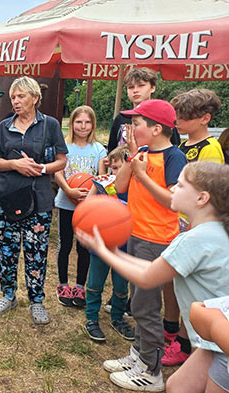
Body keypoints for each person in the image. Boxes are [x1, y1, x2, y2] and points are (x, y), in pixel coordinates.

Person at [77, 161, 229, 393]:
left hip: (223, 345)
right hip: (214, 341)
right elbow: (153, 267)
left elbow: (148, 277)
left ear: (202, 199)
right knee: (178, 385)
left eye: (179, 185)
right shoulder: (207, 232)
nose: (172, 190)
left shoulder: (196, 240)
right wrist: (114, 252)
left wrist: (104, 251)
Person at [98, 99, 186, 391]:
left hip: (156, 240)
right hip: (136, 235)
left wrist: (143, 175)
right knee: (138, 302)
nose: (131, 128)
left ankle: (151, 372)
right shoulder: (143, 153)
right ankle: (139, 355)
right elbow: (120, 187)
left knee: (147, 308)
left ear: (156, 128)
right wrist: (132, 160)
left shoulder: (174, 157)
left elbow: (173, 202)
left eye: (136, 123)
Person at [0, 76, 67, 324]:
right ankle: (8, 295)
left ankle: (37, 301)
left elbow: (62, 160)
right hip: (8, 198)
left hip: (40, 200)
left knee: (36, 253)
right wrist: (15, 165)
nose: (16, 101)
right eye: (13, 97)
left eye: (21, 96)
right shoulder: (4, 127)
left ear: (35, 98)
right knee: (7, 252)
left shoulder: (50, 125)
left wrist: (42, 169)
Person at [161, 88, 225, 366]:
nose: (177, 122)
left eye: (184, 117)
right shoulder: (183, 145)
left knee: (191, 290)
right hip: (174, 223)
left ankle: (189, 343)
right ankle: (172, 333)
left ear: (204, 118)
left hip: (193, 228)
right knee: (173, 283)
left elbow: (210, 193)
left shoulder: (210, 149)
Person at [54, 105, 107, 308]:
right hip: (66, 202)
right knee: (65, 244)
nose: (83, 126)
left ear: (92, 124)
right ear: (71, 124)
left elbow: (101, 177)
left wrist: (90, 195)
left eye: (87, 122)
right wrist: (69, 190)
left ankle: (79, 286)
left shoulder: (98, 149)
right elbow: (58, 172)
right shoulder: (64, 146)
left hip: (88, 205)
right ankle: (63, 285)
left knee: (83, 246)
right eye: (78, 122)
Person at [83, 144, 134, 342]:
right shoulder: (102, 183)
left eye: (119, 167)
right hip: (101, 244)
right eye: (112, 168)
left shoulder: (136, 188)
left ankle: (118, 317)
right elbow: (87, 206)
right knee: (95, 283)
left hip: (125, 247)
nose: (115, 172)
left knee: (121, 287)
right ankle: (91, 319)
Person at [107, 67, 180, 153]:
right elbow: (112, 149)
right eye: (131, 87)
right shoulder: (121, 118)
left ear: (152, 88)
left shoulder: (162, 116)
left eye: (141, 85)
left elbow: (174, 146)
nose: (136, 90)